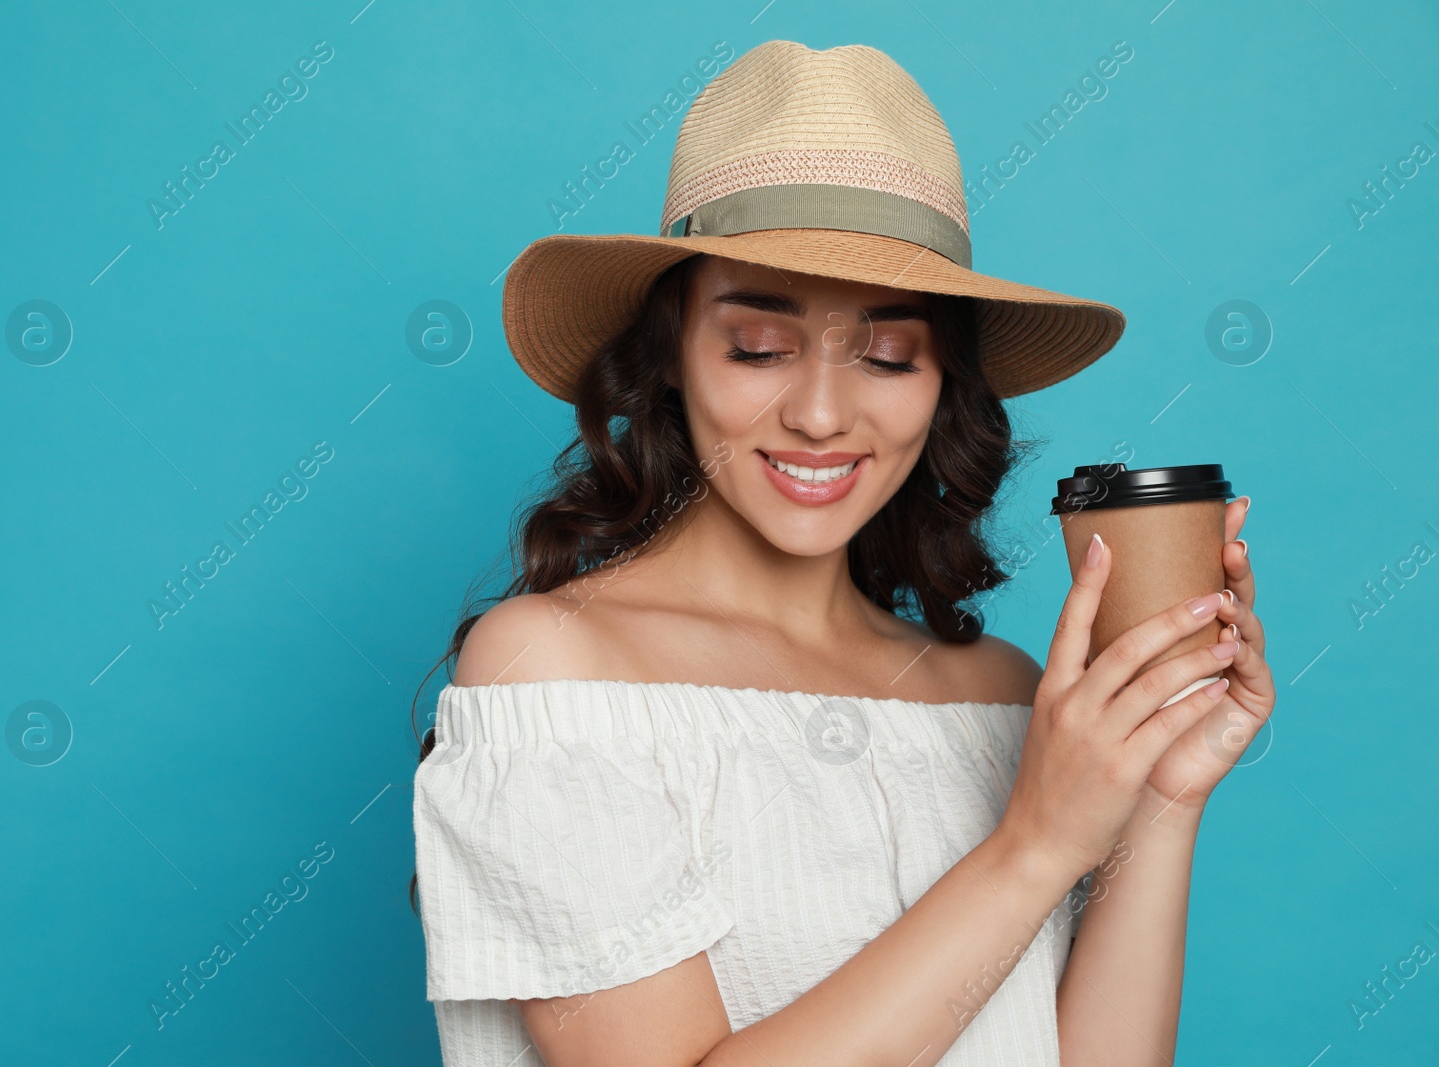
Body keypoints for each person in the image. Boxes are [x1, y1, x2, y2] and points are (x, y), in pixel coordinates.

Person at [410, 39, 1275, 1067]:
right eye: (758, 346)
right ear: (670, 356)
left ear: (941, 377)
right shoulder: (554, 667)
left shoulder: (1001, 693)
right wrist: (1034, 844)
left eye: (887, 352)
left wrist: (1160, 799)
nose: (821, 414)